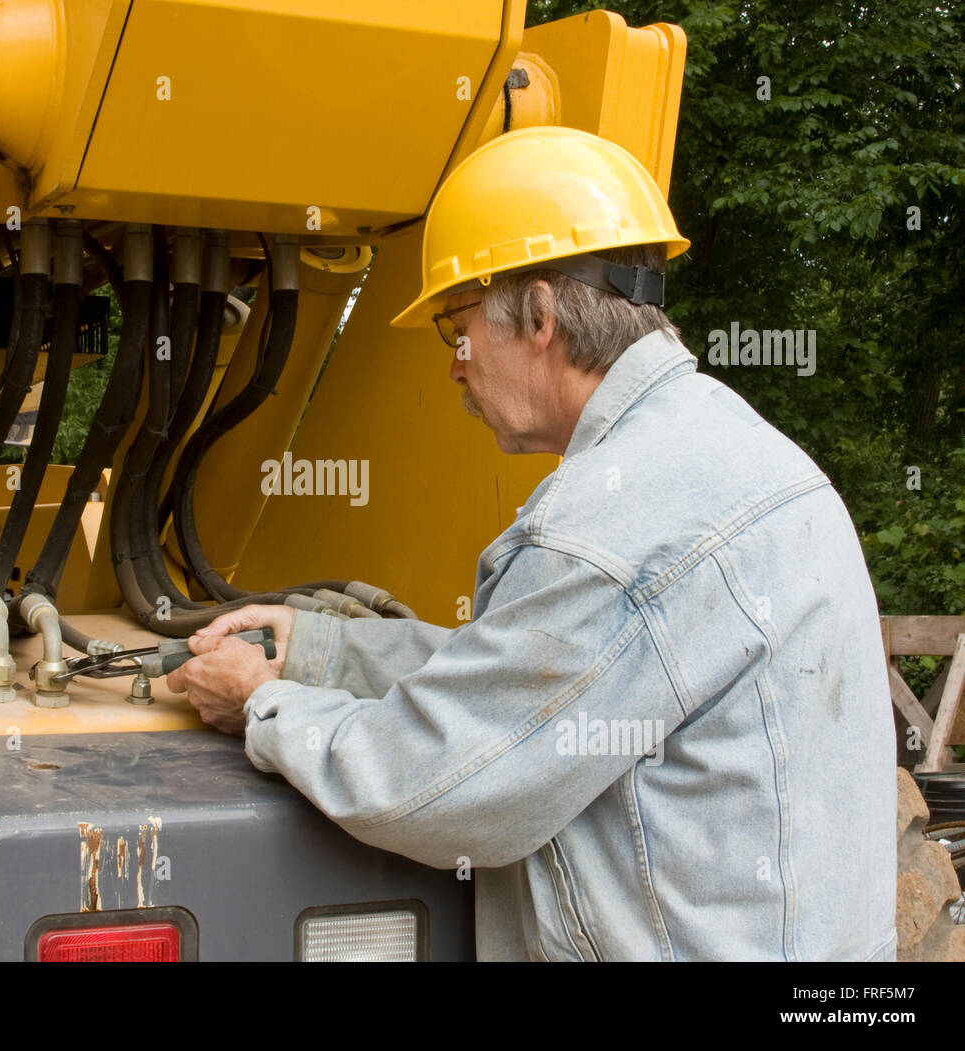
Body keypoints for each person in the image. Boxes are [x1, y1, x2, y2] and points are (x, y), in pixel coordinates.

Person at [166, 126, 897, 961]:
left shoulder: (607, 529)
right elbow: (542, 690)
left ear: (541, 314)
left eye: (456, 328)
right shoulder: (736, 454)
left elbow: (442, 781)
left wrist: (262, 701)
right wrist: (319, 649)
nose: (453, 366)